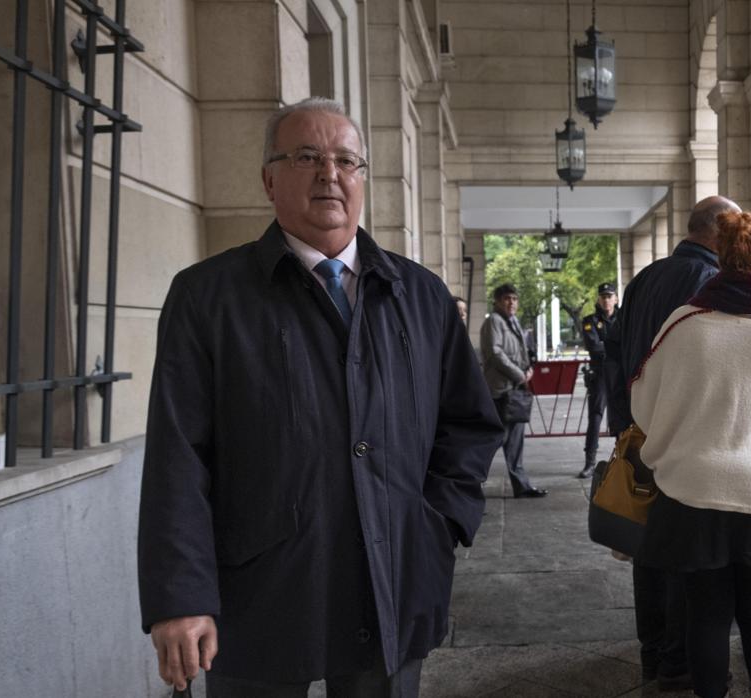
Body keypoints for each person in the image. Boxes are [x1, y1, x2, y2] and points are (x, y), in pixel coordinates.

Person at [137, 97, 504, 697]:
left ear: (362, 179)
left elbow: (468, 424)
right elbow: (178, 458)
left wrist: (439, 524)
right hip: (257, 592)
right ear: (269, 178)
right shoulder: (207, 297)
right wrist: (180, 597)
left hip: (393, 580)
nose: (329, 174)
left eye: (346, 160)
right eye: (306, 156)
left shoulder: (421, 296)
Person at [632, 210, 751, 698]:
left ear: (722, 254)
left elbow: (644, 401)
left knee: (706, 614)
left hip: (697, 489)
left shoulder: (685, 322)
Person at [604, 195, 740, 689]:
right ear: (720, 230)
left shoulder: (645, 277)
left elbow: (614, 353)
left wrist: (625, 421)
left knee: (649, 546)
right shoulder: (710, 282)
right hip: (685, 437)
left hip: (643, 431)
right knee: (686, 552)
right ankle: (678, 659)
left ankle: (654, 648)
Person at [480, 283, 548, 498]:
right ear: (497, 301)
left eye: (514, 299)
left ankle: (522, 486)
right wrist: (519, 373)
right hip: (500, 390)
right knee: (494, 440)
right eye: (507, 298)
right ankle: (470, 484)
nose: (511, 302)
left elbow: (519, 351)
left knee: (516, 441)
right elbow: (495, 353)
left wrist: (527, 369)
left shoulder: (513, 322)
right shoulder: (494, 322)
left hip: (515, 391)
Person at [577, 282, 618, 479]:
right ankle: (589, 462)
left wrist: (606, 345)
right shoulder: (589, 320)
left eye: (610, 296)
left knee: (621, 417)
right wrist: (614, 345)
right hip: (600, 374)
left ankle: (622, 461)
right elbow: (593, 346)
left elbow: (626, 342)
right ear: (598, 299)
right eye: (603, 296)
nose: (606, 300)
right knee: (595, 417)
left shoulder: (624, 318)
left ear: (616, 299)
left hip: (618, 373)